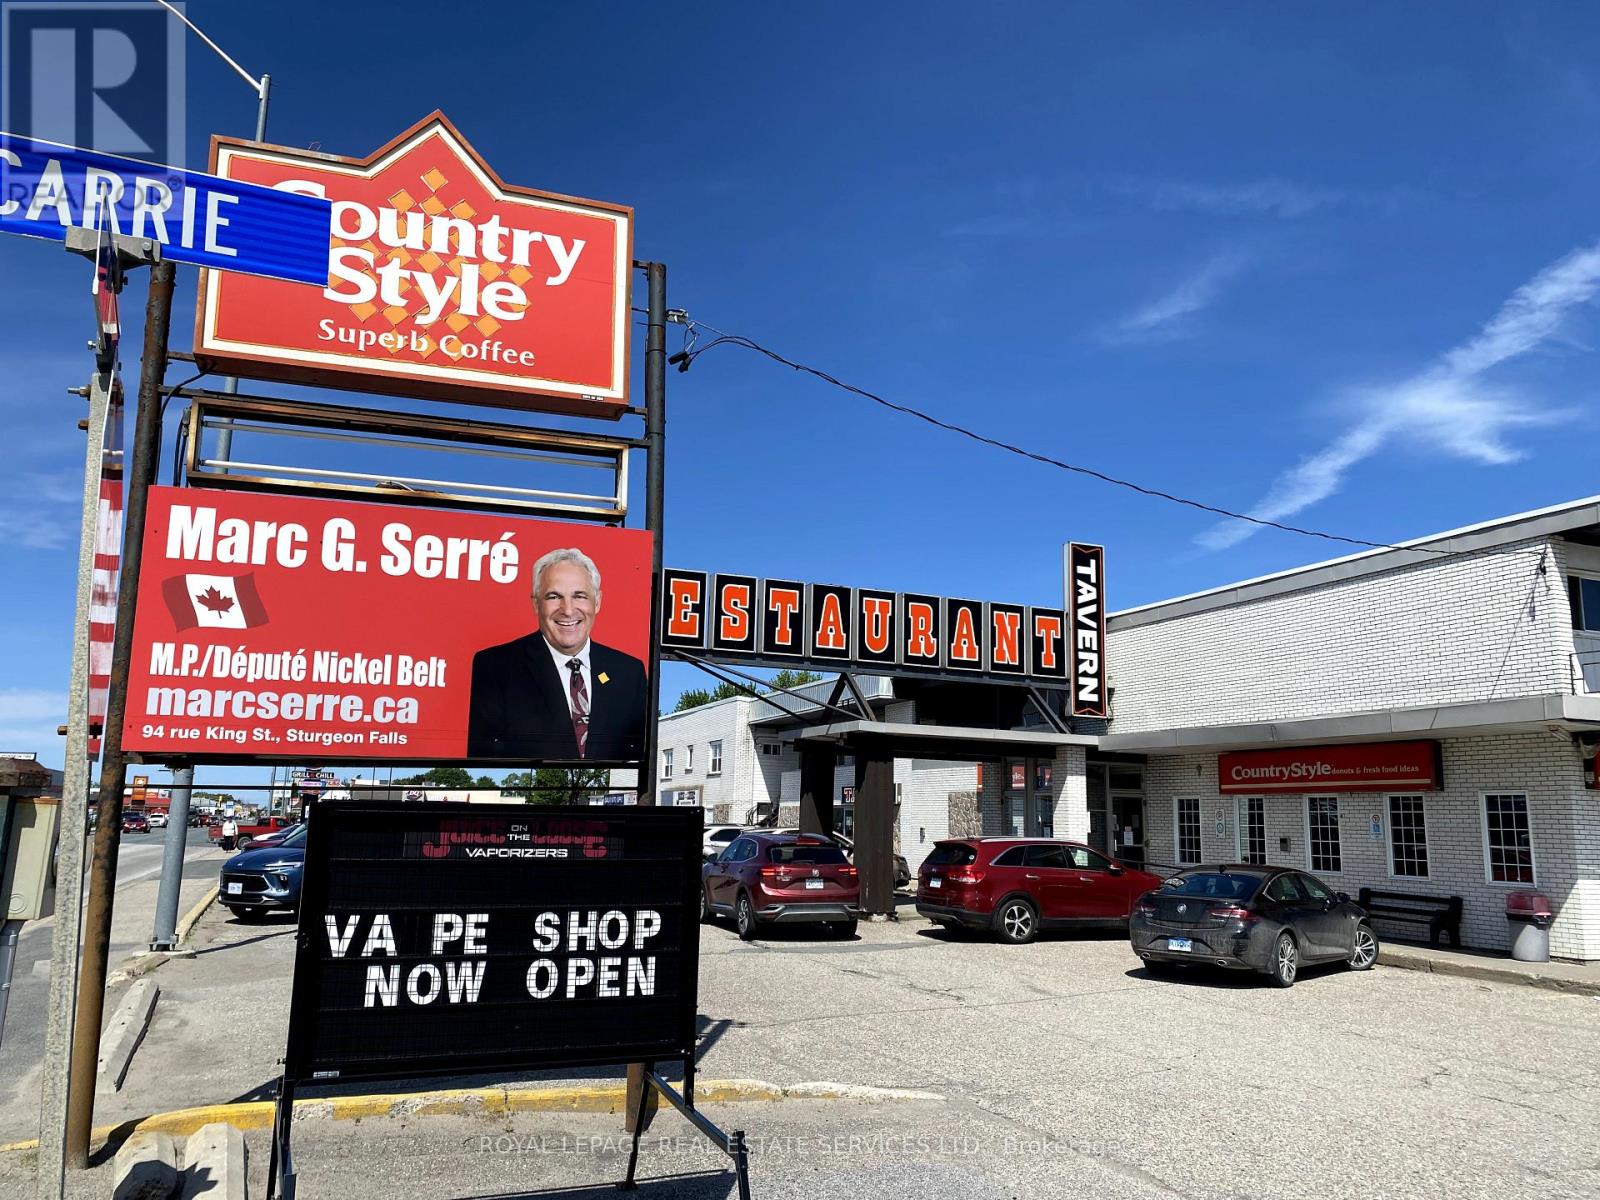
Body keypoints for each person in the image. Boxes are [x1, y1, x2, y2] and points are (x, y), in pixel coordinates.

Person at [467, 547, 648, 761]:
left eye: (579, 596)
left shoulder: (629, 672)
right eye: (554, 596)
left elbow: (639, 757)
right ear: (536, 603)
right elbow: (484, 760)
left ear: (597, 601)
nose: (568, 610)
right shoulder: (495, 667)